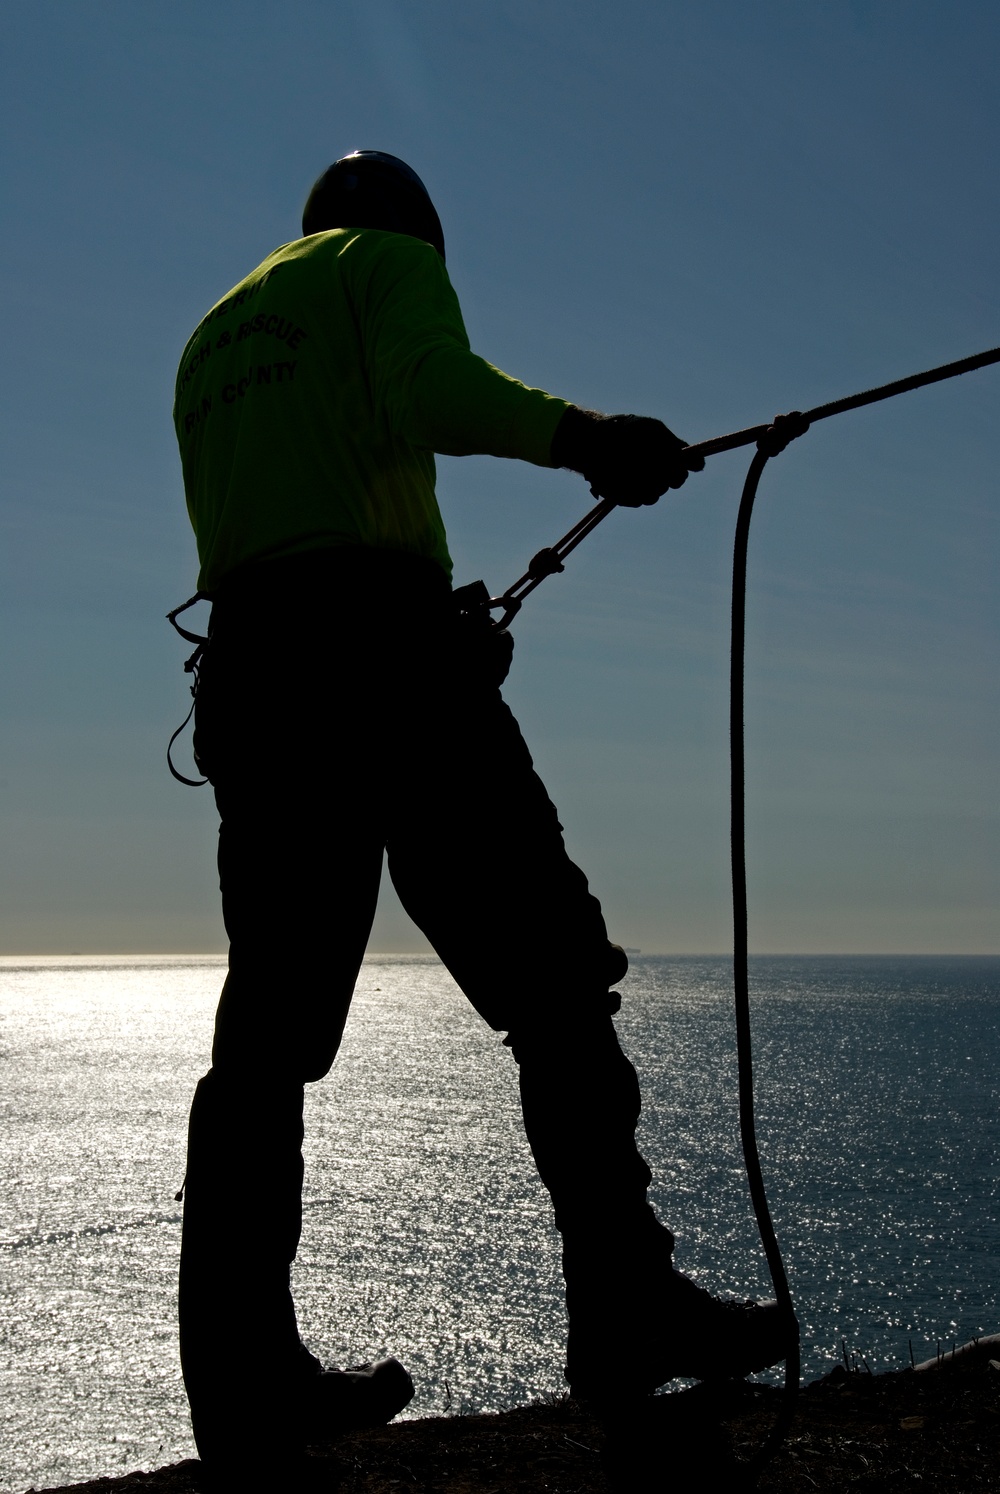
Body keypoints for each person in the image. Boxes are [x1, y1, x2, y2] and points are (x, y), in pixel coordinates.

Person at [172, 150, 793, 1490]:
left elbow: (297, 523)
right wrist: (594, 441)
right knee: (553, 974)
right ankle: (626, 1313)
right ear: (417, 237)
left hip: (258, 680)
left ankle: (239, 1380)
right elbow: (433, 391)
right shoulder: (383, 265)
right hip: (385, 667)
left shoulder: (215, 333)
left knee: (266, 1032)